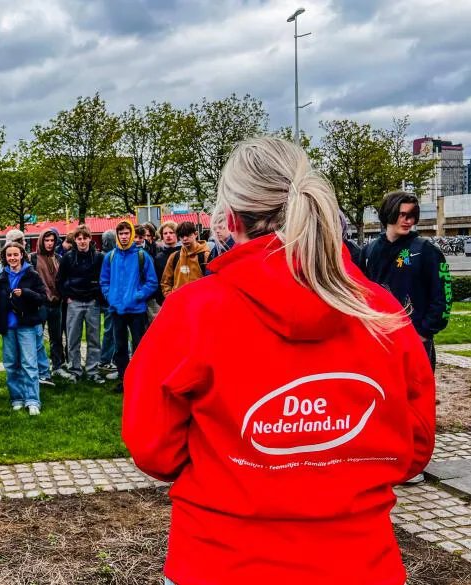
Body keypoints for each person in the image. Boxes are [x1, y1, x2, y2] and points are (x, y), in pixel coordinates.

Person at [123, 136, 435, 585]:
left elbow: (152, 445)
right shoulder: (381, 313)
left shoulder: (194, 311)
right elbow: (416, 445)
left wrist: (234, 467)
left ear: (230, 219)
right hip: (359, 562)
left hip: (219, 560)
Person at [359, 190, 451, 371]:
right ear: (388, 214)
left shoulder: (426, 251)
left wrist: (424, 333)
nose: (408, 220)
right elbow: (359, 293)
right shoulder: (368, 251)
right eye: (402, 214)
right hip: (378, 338)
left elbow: (443, 296)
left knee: (416, 395)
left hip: (415, 340)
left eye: (412, 215)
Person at [0, 242, 47, 415]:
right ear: (5, 258)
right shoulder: (0, 278)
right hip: (9, 327)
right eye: (9, 255)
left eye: (15, 254)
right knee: (11, 364)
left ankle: (32, 399)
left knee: (29, 364)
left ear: (22, 255)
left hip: (26, 326)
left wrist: (26, 293)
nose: (12, 258)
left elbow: (42, 297)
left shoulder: (32, 275)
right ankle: (17, 398)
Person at [100, 220, 157, 393]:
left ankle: (139, 378)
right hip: (117, 309)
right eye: (121, 234)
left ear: (131, 234)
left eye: (126, 233)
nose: (124, 237)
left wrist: (138, 295)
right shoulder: (110, 257)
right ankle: (123, 378)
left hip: (136, 310)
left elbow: (152, 282)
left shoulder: (142, 256)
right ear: (117, 236)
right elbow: (104, 281)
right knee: (120, 346)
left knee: (139, 346)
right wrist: (111, 297)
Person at [56, 225, 104, 384]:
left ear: (90, 239)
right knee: (73, 339)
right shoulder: (68, 258)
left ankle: (92, 371)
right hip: (74, 302)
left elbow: (103, 279)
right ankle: (75, 370)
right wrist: (67, 296)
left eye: (85, 238)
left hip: (92, 302)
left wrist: (98, 296)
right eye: (79, 238)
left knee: (94, 339)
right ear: (75, 240)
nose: (82, 241)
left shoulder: (98, 257)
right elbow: (60, 280)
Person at [30, 228, 64, 382]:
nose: (50, 243)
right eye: (47, 240)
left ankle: (57, 366)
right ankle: (38, 367)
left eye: (52, 240)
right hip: (40, 303)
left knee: (56, 337)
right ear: (41, 241)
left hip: (57, 303)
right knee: (38, 337)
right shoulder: (33, 259)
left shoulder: (58, 258)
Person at [160, 221, 211, 296]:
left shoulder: (206, 255)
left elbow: (212, 282)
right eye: (182, 236)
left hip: (200, 303)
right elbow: (165, 282)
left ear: (196, 234)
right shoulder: (174, 256)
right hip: (178, 304)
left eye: (188, 235)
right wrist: (171, 297)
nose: (185, 239)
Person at [97, 229, 118, 379]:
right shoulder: (110, 257)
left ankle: (109, 357)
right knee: (110, 330)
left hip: (104, 298)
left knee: (111, 330)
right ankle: (105, 359)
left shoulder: (102, 255)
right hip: (109, 299)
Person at [151, 221, 180, 309]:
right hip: (164, 301)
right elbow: (157, 279)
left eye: (171, 232)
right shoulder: (158, 257)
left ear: (177, 235)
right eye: (165, 233)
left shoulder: (184, 254)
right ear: (162, 236)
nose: (168, 235)